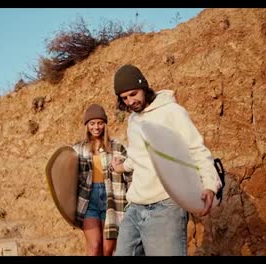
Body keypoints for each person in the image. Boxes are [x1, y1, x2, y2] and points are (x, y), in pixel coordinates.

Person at [109, 64, 222, 256]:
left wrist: (210, 185)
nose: (130, 101)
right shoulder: (133, 121)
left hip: (166, 207)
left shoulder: (172, 111)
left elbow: (196, 149)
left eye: (133, 94)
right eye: (124, 98)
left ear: (144, 87)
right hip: (135, 206)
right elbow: (139, 157)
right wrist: (122, 167)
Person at [72, 103, 132, 256]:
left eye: (100, 123)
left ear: (105, 124)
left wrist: (121, 167)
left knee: (107, 250)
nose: (96, 127)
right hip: (88, 200)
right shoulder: (78, 149)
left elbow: (130, 173)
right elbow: (68, 177)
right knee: (94, 247)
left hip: (112, 200)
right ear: (87, 126)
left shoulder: (117, 147)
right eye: (92, 123)